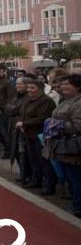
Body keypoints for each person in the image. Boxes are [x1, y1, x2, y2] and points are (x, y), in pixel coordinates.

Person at [45, 75, 81, 218]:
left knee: (75, 177)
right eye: (62, 84)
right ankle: (76, 203)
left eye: (67, 84)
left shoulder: (78, 103)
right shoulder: (65, 101)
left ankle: (78, 207)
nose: (63, 86)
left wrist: (58, 125)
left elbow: (78, 125)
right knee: (70, 177)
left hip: (73, 146)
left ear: (77, 86)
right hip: (62, 146)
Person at [16, 78, 56, 194]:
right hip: (29, 133)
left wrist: (24, 123)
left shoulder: (46, 101)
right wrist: (21, 123)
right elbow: (21, 113)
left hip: (40, 135)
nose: (29, 90)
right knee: (33, 159)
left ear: (40, 89)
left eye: (32, 88)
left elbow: (43, 118)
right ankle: (36, 180)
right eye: (28, 87)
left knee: (44, 161)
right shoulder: (28, 100)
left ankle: (49, 185)